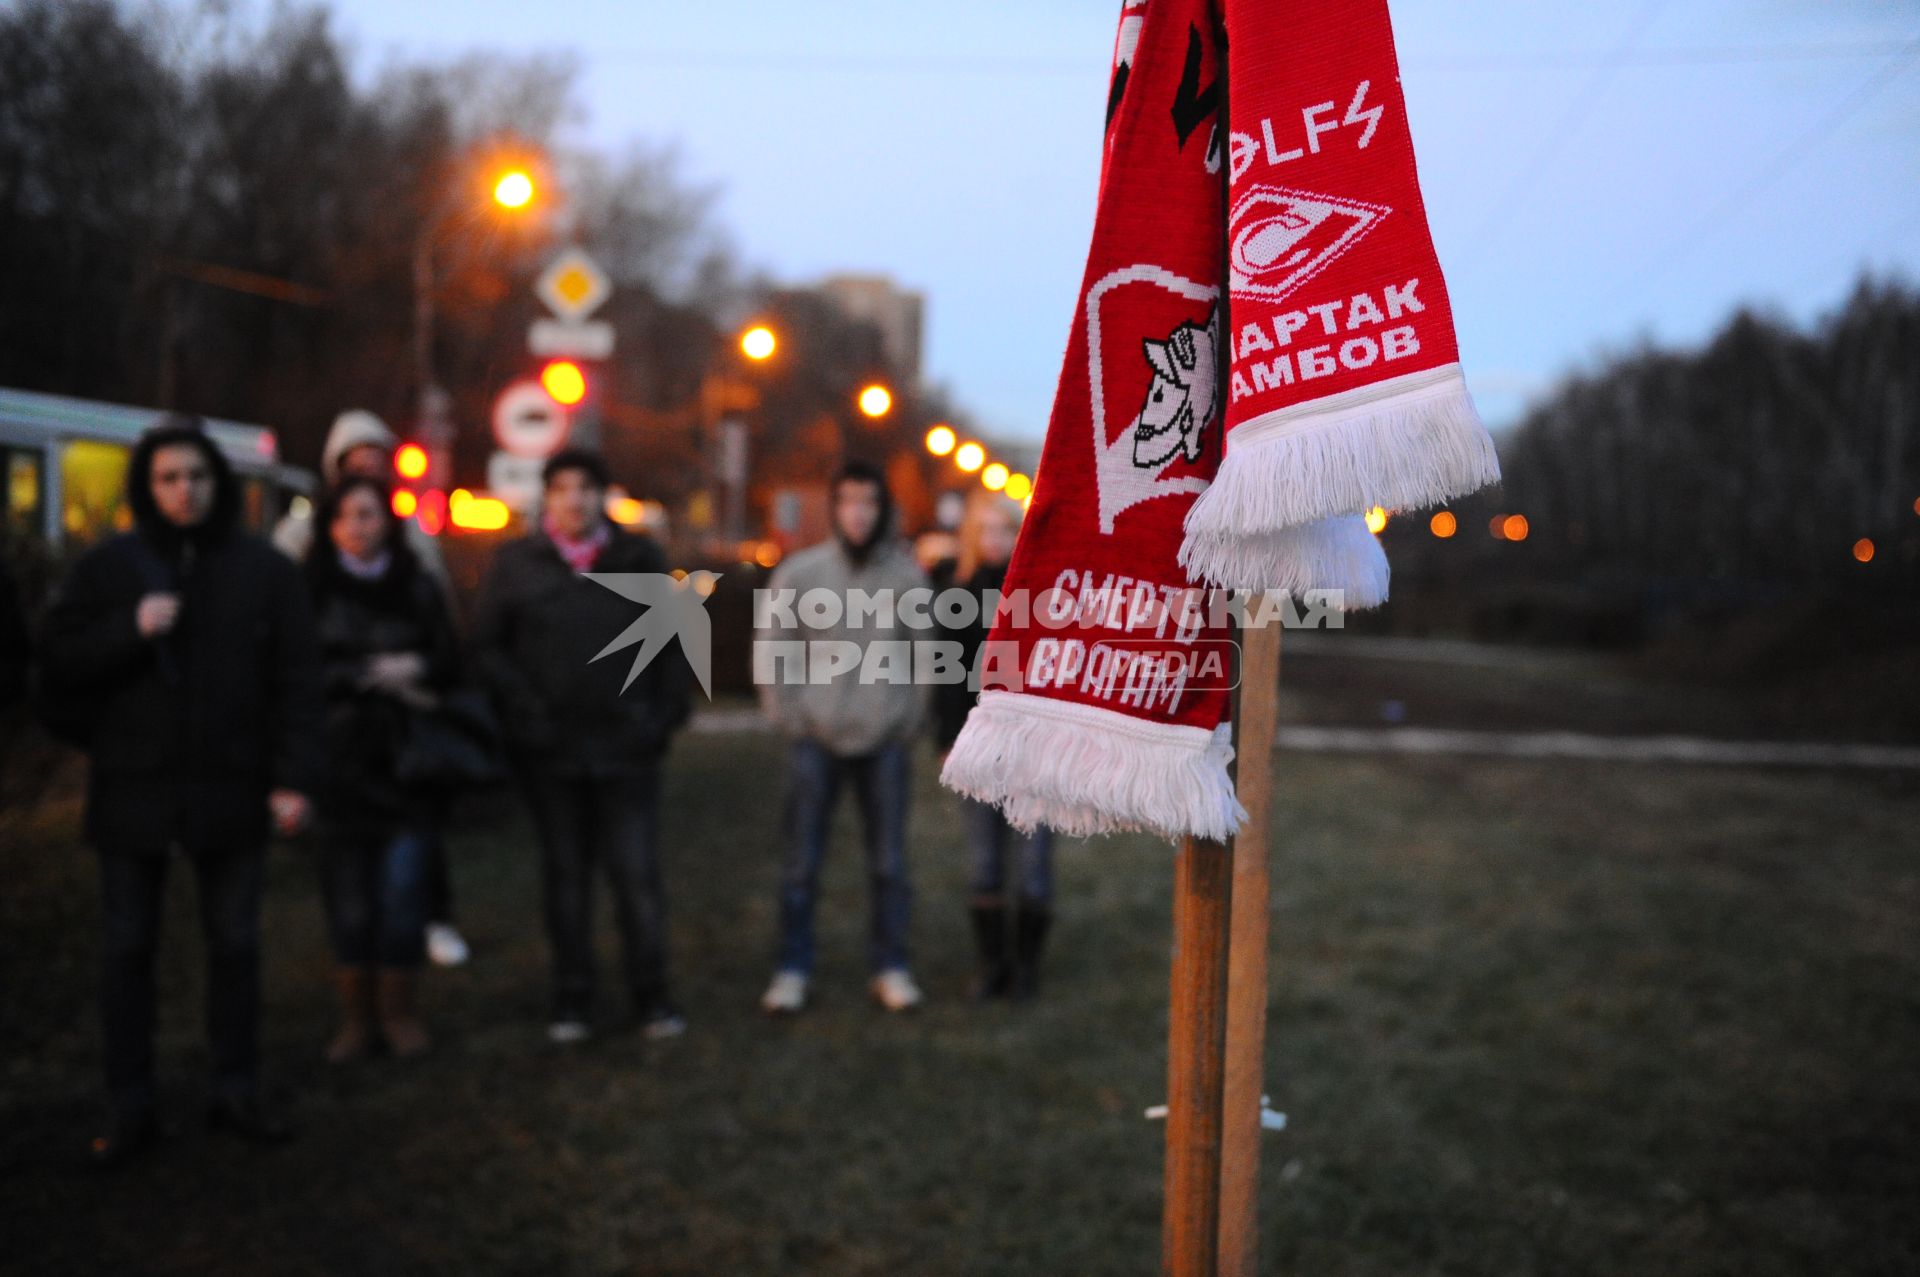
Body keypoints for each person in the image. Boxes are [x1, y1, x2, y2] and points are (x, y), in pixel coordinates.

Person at [38, 416, 323, 1164]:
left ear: (216, 482)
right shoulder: (109, 570)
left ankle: (236, 1087)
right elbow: (55, 666)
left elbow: (298, 682)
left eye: (195, 475)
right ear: (146, 485)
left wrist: (292, 777)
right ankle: (130, 1102)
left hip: (231, 790)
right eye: (167, 477)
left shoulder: (263, 571)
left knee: (234, 944)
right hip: (134, 795)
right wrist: (127, 630)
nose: (183, 489)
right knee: (127, 949)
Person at [471, 448, 692, 1043]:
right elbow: (488, 648)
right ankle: (573, 999)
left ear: (603, 494)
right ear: (548, 496)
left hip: (627, 751)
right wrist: (526, 713)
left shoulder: (638, 557)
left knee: (636, 877)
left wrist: (660, 719)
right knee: (566, 879)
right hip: (552, 754)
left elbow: (674, 643)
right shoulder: (517, 565)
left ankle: (652, 996)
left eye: (586, 487)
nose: (575, 500)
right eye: (563, 488)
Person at [274, 409, 470, 970]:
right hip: (339, 738)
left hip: (408, 732)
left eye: (378, 462)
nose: (369, 471)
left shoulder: (412, 542)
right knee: (350, 874)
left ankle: (431, 925)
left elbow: (444, 628)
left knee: (414, 853)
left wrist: (424, 671)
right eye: (356, 463)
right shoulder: (299, 540)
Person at [756, 460, 929, 1015]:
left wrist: (907, 722)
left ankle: (890, 966)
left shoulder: (906, 578)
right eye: (848, 500)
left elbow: (927, 658)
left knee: (888, 865)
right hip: (815, 740)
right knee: (801, 864)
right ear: (834, 508)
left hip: (883, 744)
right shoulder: (801, 574)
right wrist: (791, 717)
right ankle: (792, 968)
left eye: (869, 502)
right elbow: (773, 649)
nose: (858, 512)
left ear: (883, 510)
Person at [306, 475, 461, 1063]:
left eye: (368, 515)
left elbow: (452, 659)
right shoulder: (311, 589)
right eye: (344, 516)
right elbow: (293, 671)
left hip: (407, 766)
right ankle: (356, 1018)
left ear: (386, 521)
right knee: (348, 901)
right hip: (339, 768)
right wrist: (358, 676)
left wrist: (414, 666)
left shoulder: (416, 586)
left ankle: (398, 1013)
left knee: (402, 897)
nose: (356, 527)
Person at [933, 494, 1055, 999]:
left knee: (1033, 866)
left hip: (1032, 749)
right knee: (985, 863)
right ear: (970, 536)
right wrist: (946, 739)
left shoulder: (1042, 592)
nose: (994, 540)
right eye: (984, 530)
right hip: (977, 749)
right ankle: (992, 966)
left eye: (1003, 529)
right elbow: (945, 678)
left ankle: (1025, 968)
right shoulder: (956, 593)